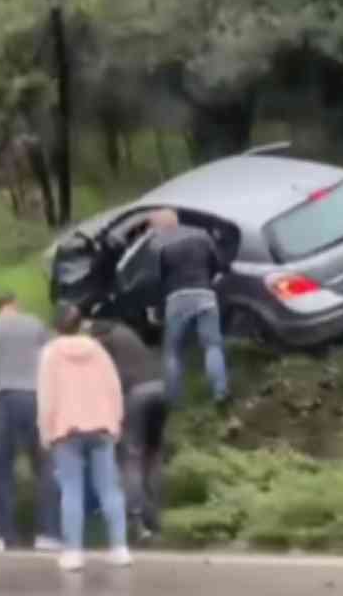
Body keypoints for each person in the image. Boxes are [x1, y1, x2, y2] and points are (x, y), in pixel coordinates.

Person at [38, 302, 131, 571]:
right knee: (109, 488)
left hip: (67, 430)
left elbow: (47, 398)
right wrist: (115, 422)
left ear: (56, 327)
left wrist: (46, 431)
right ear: (80, 324)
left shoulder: (50, 354)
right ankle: (120, 548)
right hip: (101, 426)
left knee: (71, 490)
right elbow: (114, 388)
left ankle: (74, 552)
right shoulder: (98, 351)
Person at [0, 290, 61, 552]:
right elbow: (53, 356)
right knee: (45, 466)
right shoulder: (35, 323)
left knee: (1, 469)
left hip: (4, 399)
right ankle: (48, 534)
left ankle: (2, 535)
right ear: (16, 304)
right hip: (37, 399)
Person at [86, 318, 168, 542]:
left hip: (137, 394)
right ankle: (156, 522)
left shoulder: (103, 341)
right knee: (153, 457)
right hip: (160, 389)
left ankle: (137, 520)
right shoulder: (126, 333)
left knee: (131, 457)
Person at [148, 208, 231, 404]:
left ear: (160, 226)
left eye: (153, 227)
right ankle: (221, 392)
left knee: (173, 352)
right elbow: (218, 264)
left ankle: (174, 400)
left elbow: (157, 280)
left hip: (177, 299)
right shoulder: (201, 235)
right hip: (205, 294)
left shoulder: (157, 245)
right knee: (212, 346)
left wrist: (156, 309)